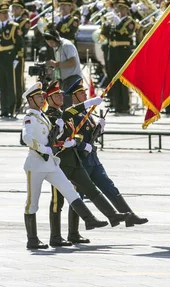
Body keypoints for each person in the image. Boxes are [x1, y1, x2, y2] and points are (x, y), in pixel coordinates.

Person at [20, 82, 108, 250]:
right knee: (32, 203)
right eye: (38, 96)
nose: (41, 99)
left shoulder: (42, 116)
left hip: (51, 163)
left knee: (70, 190)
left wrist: (60, 132)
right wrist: (44, 148)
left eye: (41, 96)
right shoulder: (30, 117)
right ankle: (32, 239)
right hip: (36, 164)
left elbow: (53, 134)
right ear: (31, 100)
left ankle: (89, 219)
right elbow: (26, 138)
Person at [69, 79, 149, 227]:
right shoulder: (72, 115)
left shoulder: (87, 113)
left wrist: (99, 128)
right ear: (74, 97)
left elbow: (91, 135)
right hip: (81, 161)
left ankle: (129, 216)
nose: (85, 95)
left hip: (93, 160)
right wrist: (83, 146)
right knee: (77, 196)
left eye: (84, 92)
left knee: (110, 188)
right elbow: (70, 138)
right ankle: (73, 231)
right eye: (81, 93)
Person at [0, 2, 23, 118]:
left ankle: (11, 109)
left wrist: (18, 57)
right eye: (2, 13)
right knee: (2, 85)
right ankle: (3, 109)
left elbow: (20, 44)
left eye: (6, 12)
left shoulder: (14, 26)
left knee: (10, 84)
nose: (5, 14)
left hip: (10, 56)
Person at [43, 31, 82, 108]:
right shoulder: (56, 47)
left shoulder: (67, 45)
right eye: (48, 42)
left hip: (72, 79)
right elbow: (58, 66)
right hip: (63, 80)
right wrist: (55, 79)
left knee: (68, 106)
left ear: (56, 39)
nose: (50, 45)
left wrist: (55, 64)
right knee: (63, 105)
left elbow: (72, 63)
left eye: (51, 42)